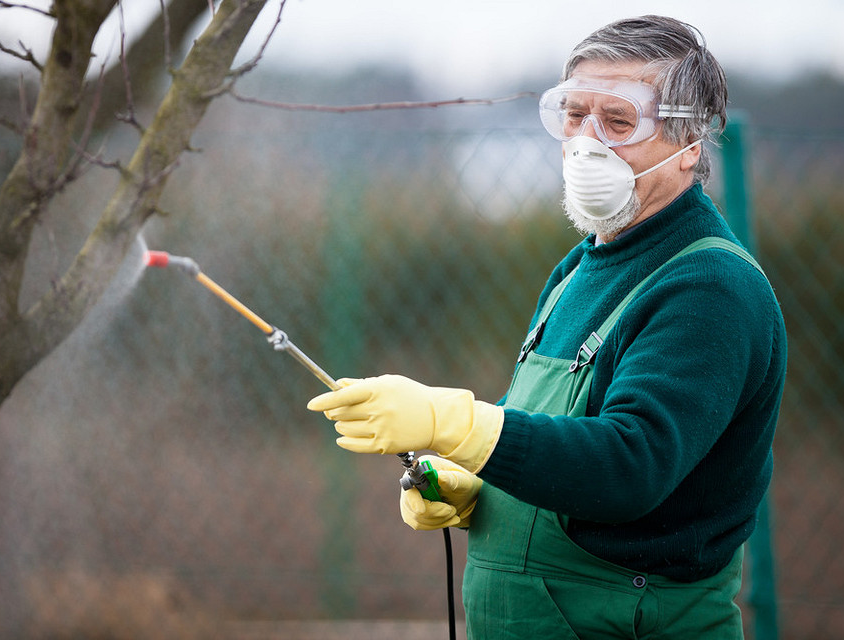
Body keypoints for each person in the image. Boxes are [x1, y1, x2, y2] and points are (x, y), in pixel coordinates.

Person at [308, 15, 787, 639]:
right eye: (574, 115)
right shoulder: (580, 267)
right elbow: (547, 430)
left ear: (690, 144)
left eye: (618, 122)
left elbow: (629, 465)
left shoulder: (709, 288)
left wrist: (454, 423)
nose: (587, 143)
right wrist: (479, 486)